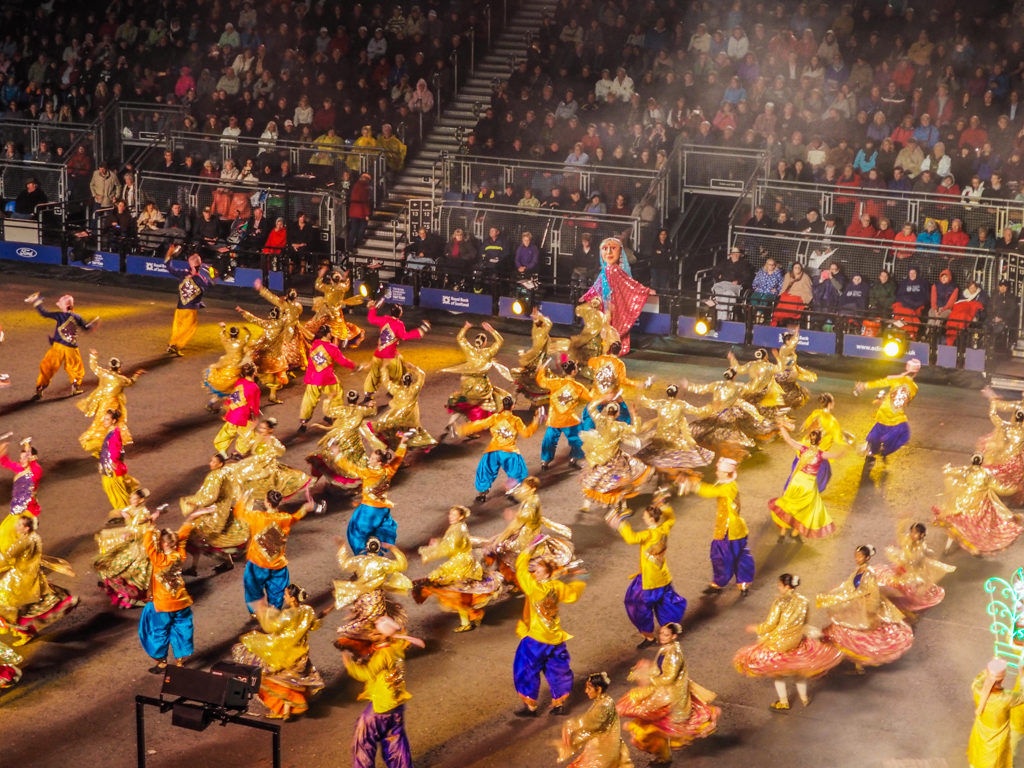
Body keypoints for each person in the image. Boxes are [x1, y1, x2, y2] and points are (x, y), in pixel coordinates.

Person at [733, 573, 843, 710]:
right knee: (800, 672)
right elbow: (805, 622)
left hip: (779, 643)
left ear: (786, 586)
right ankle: (804, 698)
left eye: (779, 585)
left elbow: (770, 625)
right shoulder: (804, 601)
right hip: (797, 641)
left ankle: (783, 701)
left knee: (777, 673)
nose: (778, 588)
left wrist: (756, 628)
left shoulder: (780, 602)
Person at [616, 622, 720, 767]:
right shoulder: (667, 649)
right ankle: (662, 756)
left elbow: (668, 678)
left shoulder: (673, 654)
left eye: (666, 635)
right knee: (654, 725)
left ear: (674, 636)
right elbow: (659, 669)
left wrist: (648, 677)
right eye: (661, 634)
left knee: (652, 721)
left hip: (669, 696)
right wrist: (645, 671)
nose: (662, 637)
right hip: (662, 691)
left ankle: (663, 757)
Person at [512, 539, 586, 716]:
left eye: (537, 571)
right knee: (558, 669)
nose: (534, 573)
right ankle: (559, 704)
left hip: (536, 640)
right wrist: (581, 578)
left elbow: (520, 569)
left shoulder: (534, 589)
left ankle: (530, 706)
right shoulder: (557, 586)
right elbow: (573, 594)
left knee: (525, 668)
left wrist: (528, 548)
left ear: (545, 574)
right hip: (555, 638)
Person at [816, 545, 914, 674]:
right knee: (851, 635)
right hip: (857, 607)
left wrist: (869, 611)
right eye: (856, 555)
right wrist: (836, 594)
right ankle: (857, 666)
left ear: (867, 557)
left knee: (857, 637)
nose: (857, 558)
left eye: (860, 556)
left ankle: (857, 665)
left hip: (864, 610)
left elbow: (870, 594)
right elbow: (851, 586)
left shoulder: (868, 575)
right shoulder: (859, 571)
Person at [231, 584, 324, 720]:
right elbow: (314, 626)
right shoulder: (308, 611)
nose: (284, 597)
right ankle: (286, 710)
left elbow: (271, 626)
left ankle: (283, 710)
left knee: (269, 677)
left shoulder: (288, 615)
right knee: (289, 681)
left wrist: (263, 613)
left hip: (283, 654)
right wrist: (322, 615)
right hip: (300, 655)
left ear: (292, 598)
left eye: (286, 595)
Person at [342, 615, 424, 768]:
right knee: (395, 739)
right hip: (396, 704)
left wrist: (348, 663)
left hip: (381, 706)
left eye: (375, 633)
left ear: (384, 635)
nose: (371, 635)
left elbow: (365, 674)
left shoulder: (382, 655)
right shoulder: (395, 649)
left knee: (363, 738)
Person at [608, 494, 686, 648]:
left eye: (645, 516)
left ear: (651, 519)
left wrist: (619, 522)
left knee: (637, 604)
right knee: (665, 606)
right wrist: (663, 504)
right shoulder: (664, 528)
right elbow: (671, 518)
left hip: (648, 581)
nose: (643, 517)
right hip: (663, 577)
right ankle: (668, 633)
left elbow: (631, 538)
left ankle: (649, 637)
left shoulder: (648, 535)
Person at [413, 505, 503, 632]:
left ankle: (467, 622)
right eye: (450, 514)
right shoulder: (460, 527)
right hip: (464, 562)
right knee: (463, 592)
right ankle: (473, 615)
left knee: (456, 593)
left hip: (460, 565)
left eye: (454, 515)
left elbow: (449, 548)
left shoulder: (456, 529)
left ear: (461, 516)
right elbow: (459, 542)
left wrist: (429, 553)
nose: (451, 517)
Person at [139, 513, 206, 671]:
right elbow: (182, 539)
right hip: (182, 601)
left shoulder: (158, 559)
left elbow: (148, 543)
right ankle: (180, 660)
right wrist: (190, 520)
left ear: (163, 544)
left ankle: (162, 662)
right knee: (182, 628)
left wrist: (150, 525)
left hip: (163, 605)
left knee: (159, 631)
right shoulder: (179, 556)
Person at [681, 457, 755, 597]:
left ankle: (719, 583)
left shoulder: (727, 488)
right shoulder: (730, 484)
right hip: (737, 529)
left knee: (720, 556)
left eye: (719, 471)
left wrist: (693, 484)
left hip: (728, 530)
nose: (716, 473)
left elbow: (710, 492)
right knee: (740, 555)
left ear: (726, 473)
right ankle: (743, 583)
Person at [0, 514, 78, 646]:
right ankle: (26, 631)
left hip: (22, 579)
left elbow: (8, 558)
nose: (17, 528)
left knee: (13, 607)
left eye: (21, 526)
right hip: (19, 577)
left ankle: (64, 603)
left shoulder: (26, 541)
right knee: (18, 608)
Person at [233, 488, 310, 613]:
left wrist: (243, 498)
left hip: (258, 564)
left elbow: (239, 513)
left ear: (267, 503)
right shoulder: (284, 518)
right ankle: (274, 612)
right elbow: (295, 518)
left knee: (253, 589)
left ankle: (258, 614)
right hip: (277, 565)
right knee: (278, 591)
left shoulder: (257, 517)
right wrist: (305, 508)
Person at [933, 454, 1024, 556]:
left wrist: (946, 468)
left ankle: (947, 548)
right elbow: (1001, 489)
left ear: (972, 461)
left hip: (961, 505)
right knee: (979, 529)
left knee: (954, 526)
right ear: (981, 462)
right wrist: (1015, 489)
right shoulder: (986, 475)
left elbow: (951, 471)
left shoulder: (966, 470)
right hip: (979, 507)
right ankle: (975, 548)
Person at [334, 435, 410, 554]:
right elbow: (398, 458)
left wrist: (338, 456)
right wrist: (403, 442)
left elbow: (350, 468)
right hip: (382, 509)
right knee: (376, 533)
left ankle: (364, 560)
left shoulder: (368, 473)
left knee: (357, 533)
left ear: (379, 462)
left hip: (369, 510)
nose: (370, 459)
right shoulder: (388, 470)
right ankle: (375, 554)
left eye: (372, 458)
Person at [579, 237, 653, 355]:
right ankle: (605, 347)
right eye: (605, 249)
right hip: (604, 303)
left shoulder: (615, 270)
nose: (608, 252)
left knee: (613, 325)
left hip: (614, 304)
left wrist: (645, 290)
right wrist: (588, 295)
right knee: (605, 325)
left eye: (613, 248)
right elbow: (597, 285)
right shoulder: (606, 270)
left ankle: (614, 347)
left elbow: (629, 283)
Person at [769, 425, 843, 540]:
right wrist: (847, 448)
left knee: (789, 505)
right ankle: (795, 533)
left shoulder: (803, 449)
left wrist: (781, 427)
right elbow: (837, 456)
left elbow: (788, 439)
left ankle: (783, 532)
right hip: (808, 485)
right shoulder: (820, 454)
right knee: (805, 509)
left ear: (810, 439)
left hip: (797, 481)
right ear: (820, 441)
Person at [179, 453, 247, 575]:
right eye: (211, 461)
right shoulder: (227, 471)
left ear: (220, 464)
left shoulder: (215, 476)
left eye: (214, 462)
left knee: (197, 538)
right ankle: (222, 563)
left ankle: (195, 567)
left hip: (213, 515)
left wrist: (192, 501)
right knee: (209, 541)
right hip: (223, 511)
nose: (211, 464)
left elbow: (210, 497)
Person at [94, 488, 162, 608]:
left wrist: (131, 532)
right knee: (105, 539)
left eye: (134, 499)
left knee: (125, 565)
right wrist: (121, 514)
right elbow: (121, 511)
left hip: (139, 543)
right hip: (131, 538)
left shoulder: (143, 513)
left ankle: (132, 595)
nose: (131, 500)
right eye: (131, 498)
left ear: (141, 500)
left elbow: (143, 531)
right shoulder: (132, 508)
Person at [27, 291, 97, 400]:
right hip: (71, 349)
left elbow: (44, 313)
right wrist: (93, 324)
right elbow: (86, 328)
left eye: (60, 303)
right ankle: (75, 386)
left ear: (66, 306)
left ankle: (40, 387)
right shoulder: (77, 317)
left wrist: (37, 302)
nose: (58, 304)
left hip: (57, 347)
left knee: (48, 367)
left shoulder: (59, 315)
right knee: (76, 368)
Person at [875, 522, 956, 613]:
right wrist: (902, 522)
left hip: (912, 572)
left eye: (915, 533)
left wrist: (902, 568)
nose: (912, 535)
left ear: (922, 534)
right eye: (912, 532)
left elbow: (913, 561)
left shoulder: (921, 548)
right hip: (904, 568)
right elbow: (901, 536)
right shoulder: (908, 541)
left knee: (902, 586)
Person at [557, 671, 634, 767]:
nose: (586, 691)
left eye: (589, 688)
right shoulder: (604, 700)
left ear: (599, 689)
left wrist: (570, 726)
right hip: (605, 745)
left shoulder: (604, 706)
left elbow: (589, 722)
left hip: (603, 752)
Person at [854, 357, 921, 462]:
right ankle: (884, 448)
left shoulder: (896, 379)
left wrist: (864, 386)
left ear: (906, 368)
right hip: (896, 418)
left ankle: (871, 451)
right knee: (904, 434)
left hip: (884, 413)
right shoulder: (914, 388)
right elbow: (902, 401)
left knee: (878, 430)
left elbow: (879, 383)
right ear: (916, 373)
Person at [77, 350, 144, 455]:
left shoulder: (104, 374)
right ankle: (108, 445)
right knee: (114, 424)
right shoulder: (121, 379)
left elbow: (94, 367)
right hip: (113, 404)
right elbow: (131, 382)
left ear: (110, 367)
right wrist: (136, 374)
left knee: (99, 424)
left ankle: (100, 446)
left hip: (102, 403)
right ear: (119, 368)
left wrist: (93, 356)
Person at [363, 299, 430, 399]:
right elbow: (405, 336)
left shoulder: (385, 319)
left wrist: (372, 308)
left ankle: (368, 395)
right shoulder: (399, 324)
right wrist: (421, 330)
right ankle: (393, 391)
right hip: (390, 356)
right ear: (400, 313)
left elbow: (371, 319)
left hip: (379, 354)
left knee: (374, 374)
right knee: (399, 371)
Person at [968, 658, 1024, 768]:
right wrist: (1022, 677)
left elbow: (977, 680)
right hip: (996, 748)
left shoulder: (977, 690)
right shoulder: (1006, 698)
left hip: (980, 740)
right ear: (1002, 680)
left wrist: (991, 667)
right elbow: (1022, 696)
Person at [299, 326, 358, 431]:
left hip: (313, 378)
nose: (331, 334)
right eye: (330, 332)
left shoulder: (314, 345)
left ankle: (304, 422)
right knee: (337, 394)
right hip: (327, 378)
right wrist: (354, 366)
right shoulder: (332, 348)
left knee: (309, 400)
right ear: (327, 334)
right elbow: (343, 361)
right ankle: (334, 416)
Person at [164, 246, 214, 356]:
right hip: (190, 310)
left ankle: (172, 344)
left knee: (177, 327)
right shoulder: (200, 278)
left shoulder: (183, 273)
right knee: (189, 329)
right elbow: (210, 285)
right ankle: (176, 346)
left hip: (179, 308)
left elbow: (170, 267)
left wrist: (169, 255)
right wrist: (211, 273)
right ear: (199, 265)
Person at [0, 439, 43, 554]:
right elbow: (6, 463)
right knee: (4, 532)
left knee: (12, 534)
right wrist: (3, 451)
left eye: (25, 457)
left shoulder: (36, 471)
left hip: (28, 511)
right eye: (21, 458)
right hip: (18, 510)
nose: (21, 460)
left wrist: (27, 446)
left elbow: (33, 470)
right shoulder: (20, 469)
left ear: (31, 457)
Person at [213, 362, 261, 458]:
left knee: (227, 433)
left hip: (233, 413)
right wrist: (255, 417)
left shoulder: (239, 382)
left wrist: (227, 407)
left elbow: (234, 397)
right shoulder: (254, 387)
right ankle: (238, 452)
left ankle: (222, 451)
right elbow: (254, 405)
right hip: (244, 416)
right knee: (249, 435)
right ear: (254, 372)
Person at [202, 324, 252, 412]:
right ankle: (234, 409)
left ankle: (210, 404)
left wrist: (223, 328)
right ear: (237, 334)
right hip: (235, 369)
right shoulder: (240, 343)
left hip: (225, 366)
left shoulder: (227, 342)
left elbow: (222, 336)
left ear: (230, 334)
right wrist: (247, 330)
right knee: (237, 389)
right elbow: (248, 337)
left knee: (223, 391)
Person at [97, 409, 138, 510]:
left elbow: (116, 449)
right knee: (111, 489)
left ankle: (126, 511)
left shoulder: (114, 433)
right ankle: (123, 511)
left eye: (107, 419)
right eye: (104, 419)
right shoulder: (111, 431)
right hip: (108, 467)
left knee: (117, 491)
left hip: (112, 469)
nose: (104, 421)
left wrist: (113, 462)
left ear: (113, 421)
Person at [709, 246, 755, 322]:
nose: (735, 255)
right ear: (730, 255)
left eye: (737, 254)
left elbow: (748, 276)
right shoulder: (724, 262)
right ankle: (722, 316)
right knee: (720, 293)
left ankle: (722, 319)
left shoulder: (744, 264)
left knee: (728, 294)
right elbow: (715, 271)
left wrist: (738, 281)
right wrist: (718, 276)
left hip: (734, 286)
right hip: (722, 284)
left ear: (740, 255)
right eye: (734, 254)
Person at [892, 267, 929, 338]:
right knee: (899, 310)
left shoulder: (923, 283)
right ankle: (899, 330)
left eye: (914, 273)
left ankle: (911, 333)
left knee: (910, 313)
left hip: (917, 305)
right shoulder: (904, 283)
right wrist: (906, 302)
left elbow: (925, 297)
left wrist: (916, 304)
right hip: (905, 304)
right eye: (910, 273)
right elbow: (899, 296)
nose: (912, 275)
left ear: (917, 274)